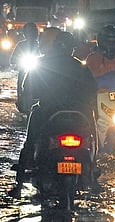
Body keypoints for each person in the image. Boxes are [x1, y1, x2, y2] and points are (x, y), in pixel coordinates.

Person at [8, 28, 98, 198]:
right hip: (79, 114)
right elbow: (92, 94)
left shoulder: (41, 65)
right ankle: (94, 170)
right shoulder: (81, 67)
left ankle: (19, 184)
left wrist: (25, 103)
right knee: (92, 134)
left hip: (48, 112)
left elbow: (28, 92)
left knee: (30, 141)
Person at [85, 24, 115, 89]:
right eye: (109, 42)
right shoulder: (93, 58)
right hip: (99, 96)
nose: (112, 45)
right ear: (102, 42)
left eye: (114, 42)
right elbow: (88, 83)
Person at [9, 23, 41, 113]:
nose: (31, 35)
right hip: (24, 70)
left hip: (39, 71)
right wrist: (18, 61)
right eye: (29, 33)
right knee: (21, 85)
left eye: (33, 32)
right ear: (25, 34)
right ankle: (21, 101)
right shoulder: (20, 45)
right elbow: (12, 59)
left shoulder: (40, 45)